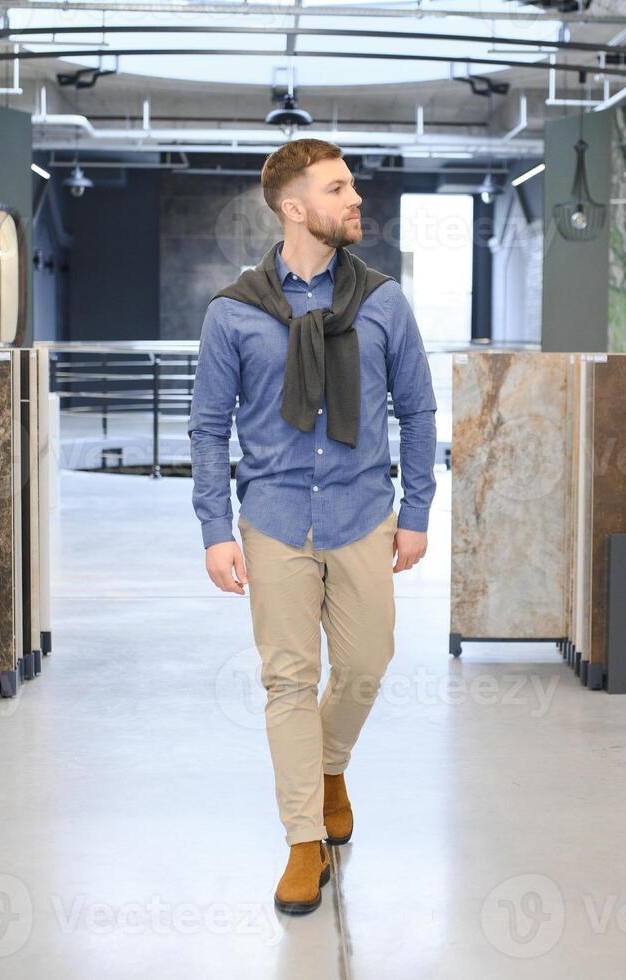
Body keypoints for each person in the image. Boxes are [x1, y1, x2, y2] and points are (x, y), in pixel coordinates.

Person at [187, 138, 438, 915]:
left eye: (352, 186)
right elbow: (206, 428)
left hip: (364, 512)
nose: (354, 199)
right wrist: (214, 528)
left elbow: (417, 410)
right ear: (294, 208)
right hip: (272, 517)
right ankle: (303, 839)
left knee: (367, 661)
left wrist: (418, 510)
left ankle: (330, 765)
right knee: (287, 681)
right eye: (337, 189)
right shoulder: (233, 311)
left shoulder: (385, 302)